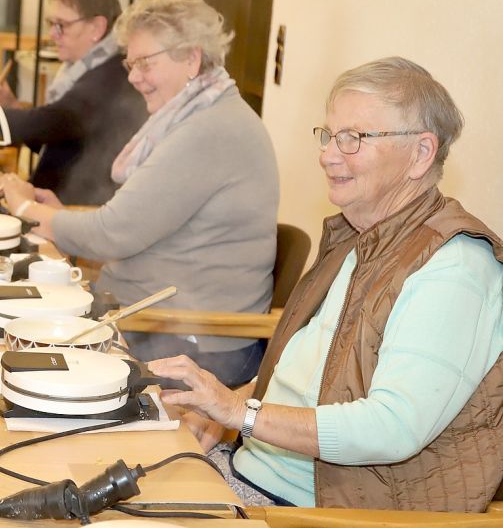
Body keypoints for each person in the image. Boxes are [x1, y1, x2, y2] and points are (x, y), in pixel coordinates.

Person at [148, 57, 503, 512]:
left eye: (354, 138)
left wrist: (240, 414)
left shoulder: (454, 268)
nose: (328, 154)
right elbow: (314, 379)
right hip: (248, 469)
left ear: (420, 153)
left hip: (309, 510)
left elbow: (392, 428)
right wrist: (223, 406)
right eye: (329, 135)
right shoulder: (362, 236)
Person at [0, 0, 278, 386]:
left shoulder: (207, 130)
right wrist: (63, 214)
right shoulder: (199, 113)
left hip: (191, 343)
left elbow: (111, 235)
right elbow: (133, 221)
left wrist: (28, 208)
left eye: (146, 63)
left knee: (16, 362)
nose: (133, 77)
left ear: (192, 60)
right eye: (131, 64)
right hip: (153, 321)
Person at [0, 0, 145, 206]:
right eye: (51, 24)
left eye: (62, 25)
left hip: (74, 210)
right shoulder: (89, 67)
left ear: (97, 27)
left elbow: (53, 120)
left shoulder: (111, 74)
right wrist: (11, 106)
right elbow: (56, 135)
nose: (53, 34)